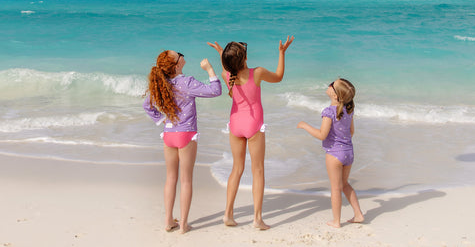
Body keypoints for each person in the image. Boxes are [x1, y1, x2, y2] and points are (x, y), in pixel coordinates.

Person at [208, 36, 295, 230]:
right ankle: (257, 219)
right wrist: (281, 53)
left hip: (235, 124)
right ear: (245, 57)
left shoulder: (227, 76)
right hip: (254, 125)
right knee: (258, 171)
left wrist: (220, 52)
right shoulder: (258, 73)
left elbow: (225, 68)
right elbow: (279, 76)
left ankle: (228, 214)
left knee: (236, 169)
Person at [143, 50, 222, 233]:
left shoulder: (162, 84)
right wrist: (210, 70)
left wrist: (161, 119)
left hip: (169, 135)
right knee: (186, 180)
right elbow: (215, 91)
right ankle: (184, 224)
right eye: (180, 54)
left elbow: (147, 105)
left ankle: (168, 220)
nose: (182, 54)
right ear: (177, 65)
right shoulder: (186, 82)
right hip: (186, 134)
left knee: (170, 179)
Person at [297, 78, 364, 228]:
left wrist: (305, 126)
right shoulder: (348, 110)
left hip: (334, 155)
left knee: (335, 188)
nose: (329, 84)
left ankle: (336, 221)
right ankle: (358, 214)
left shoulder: (329, 112)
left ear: (335, 95)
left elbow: (322, 135)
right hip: (349, 152)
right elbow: (351, 132)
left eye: (332, 84)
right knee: (345, 184)